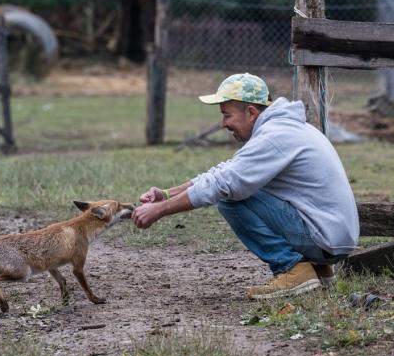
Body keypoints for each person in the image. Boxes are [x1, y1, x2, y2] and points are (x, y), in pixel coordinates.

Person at [132, 73, 358, 299]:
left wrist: (159, 210)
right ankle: (318, 271)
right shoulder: (285, 129)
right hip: (332, 238)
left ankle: (292, 269)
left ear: (250, 112)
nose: (224, 124)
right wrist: (166, 194)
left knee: (230, 198)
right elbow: (225, 171)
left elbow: (223, 184)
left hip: (325, 239)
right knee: (236, 186)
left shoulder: (274, 136)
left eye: (226, 115)